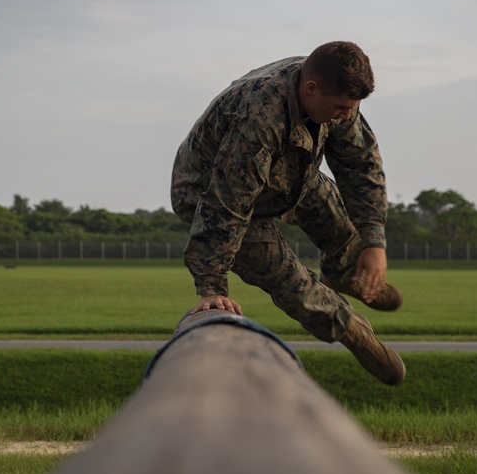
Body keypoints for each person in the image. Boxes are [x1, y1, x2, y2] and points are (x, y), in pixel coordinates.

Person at [171, 41, 405, 386]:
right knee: (284, 273)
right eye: (342, 108)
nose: (347, 116)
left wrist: (374, 242)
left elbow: (361, 166)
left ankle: (346, 272)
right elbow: (227, 202)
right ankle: (349, 328)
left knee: (339, 221)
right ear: (311, 89)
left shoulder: (336, 93)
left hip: (288, 173)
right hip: (210, 193)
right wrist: (211, 286)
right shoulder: (259, 116)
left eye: (353, 108)